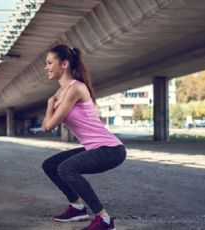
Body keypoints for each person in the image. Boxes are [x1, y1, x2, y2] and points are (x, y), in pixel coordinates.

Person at [41, 45, 126, 230]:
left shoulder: (75, 89)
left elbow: (49, 125)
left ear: (64, 64)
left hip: (110, 149)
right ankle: (77, 208)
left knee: (66, 168)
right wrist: (51, 103)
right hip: (95, 148)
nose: (46, 67)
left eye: (49, 63)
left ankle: (104, 219)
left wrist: (49, 104)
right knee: (50, 166)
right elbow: (45, 126)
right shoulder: (60, 92)